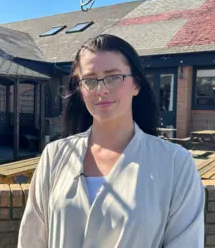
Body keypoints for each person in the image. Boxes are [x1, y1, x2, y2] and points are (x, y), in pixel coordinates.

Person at [17, 34, 205, 248]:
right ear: (80, 89)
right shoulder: (55, 156)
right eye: (89, 80)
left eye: (113, 77)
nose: (101, 90)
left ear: (136, 84)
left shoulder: (175, 163)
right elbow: (32, 240)